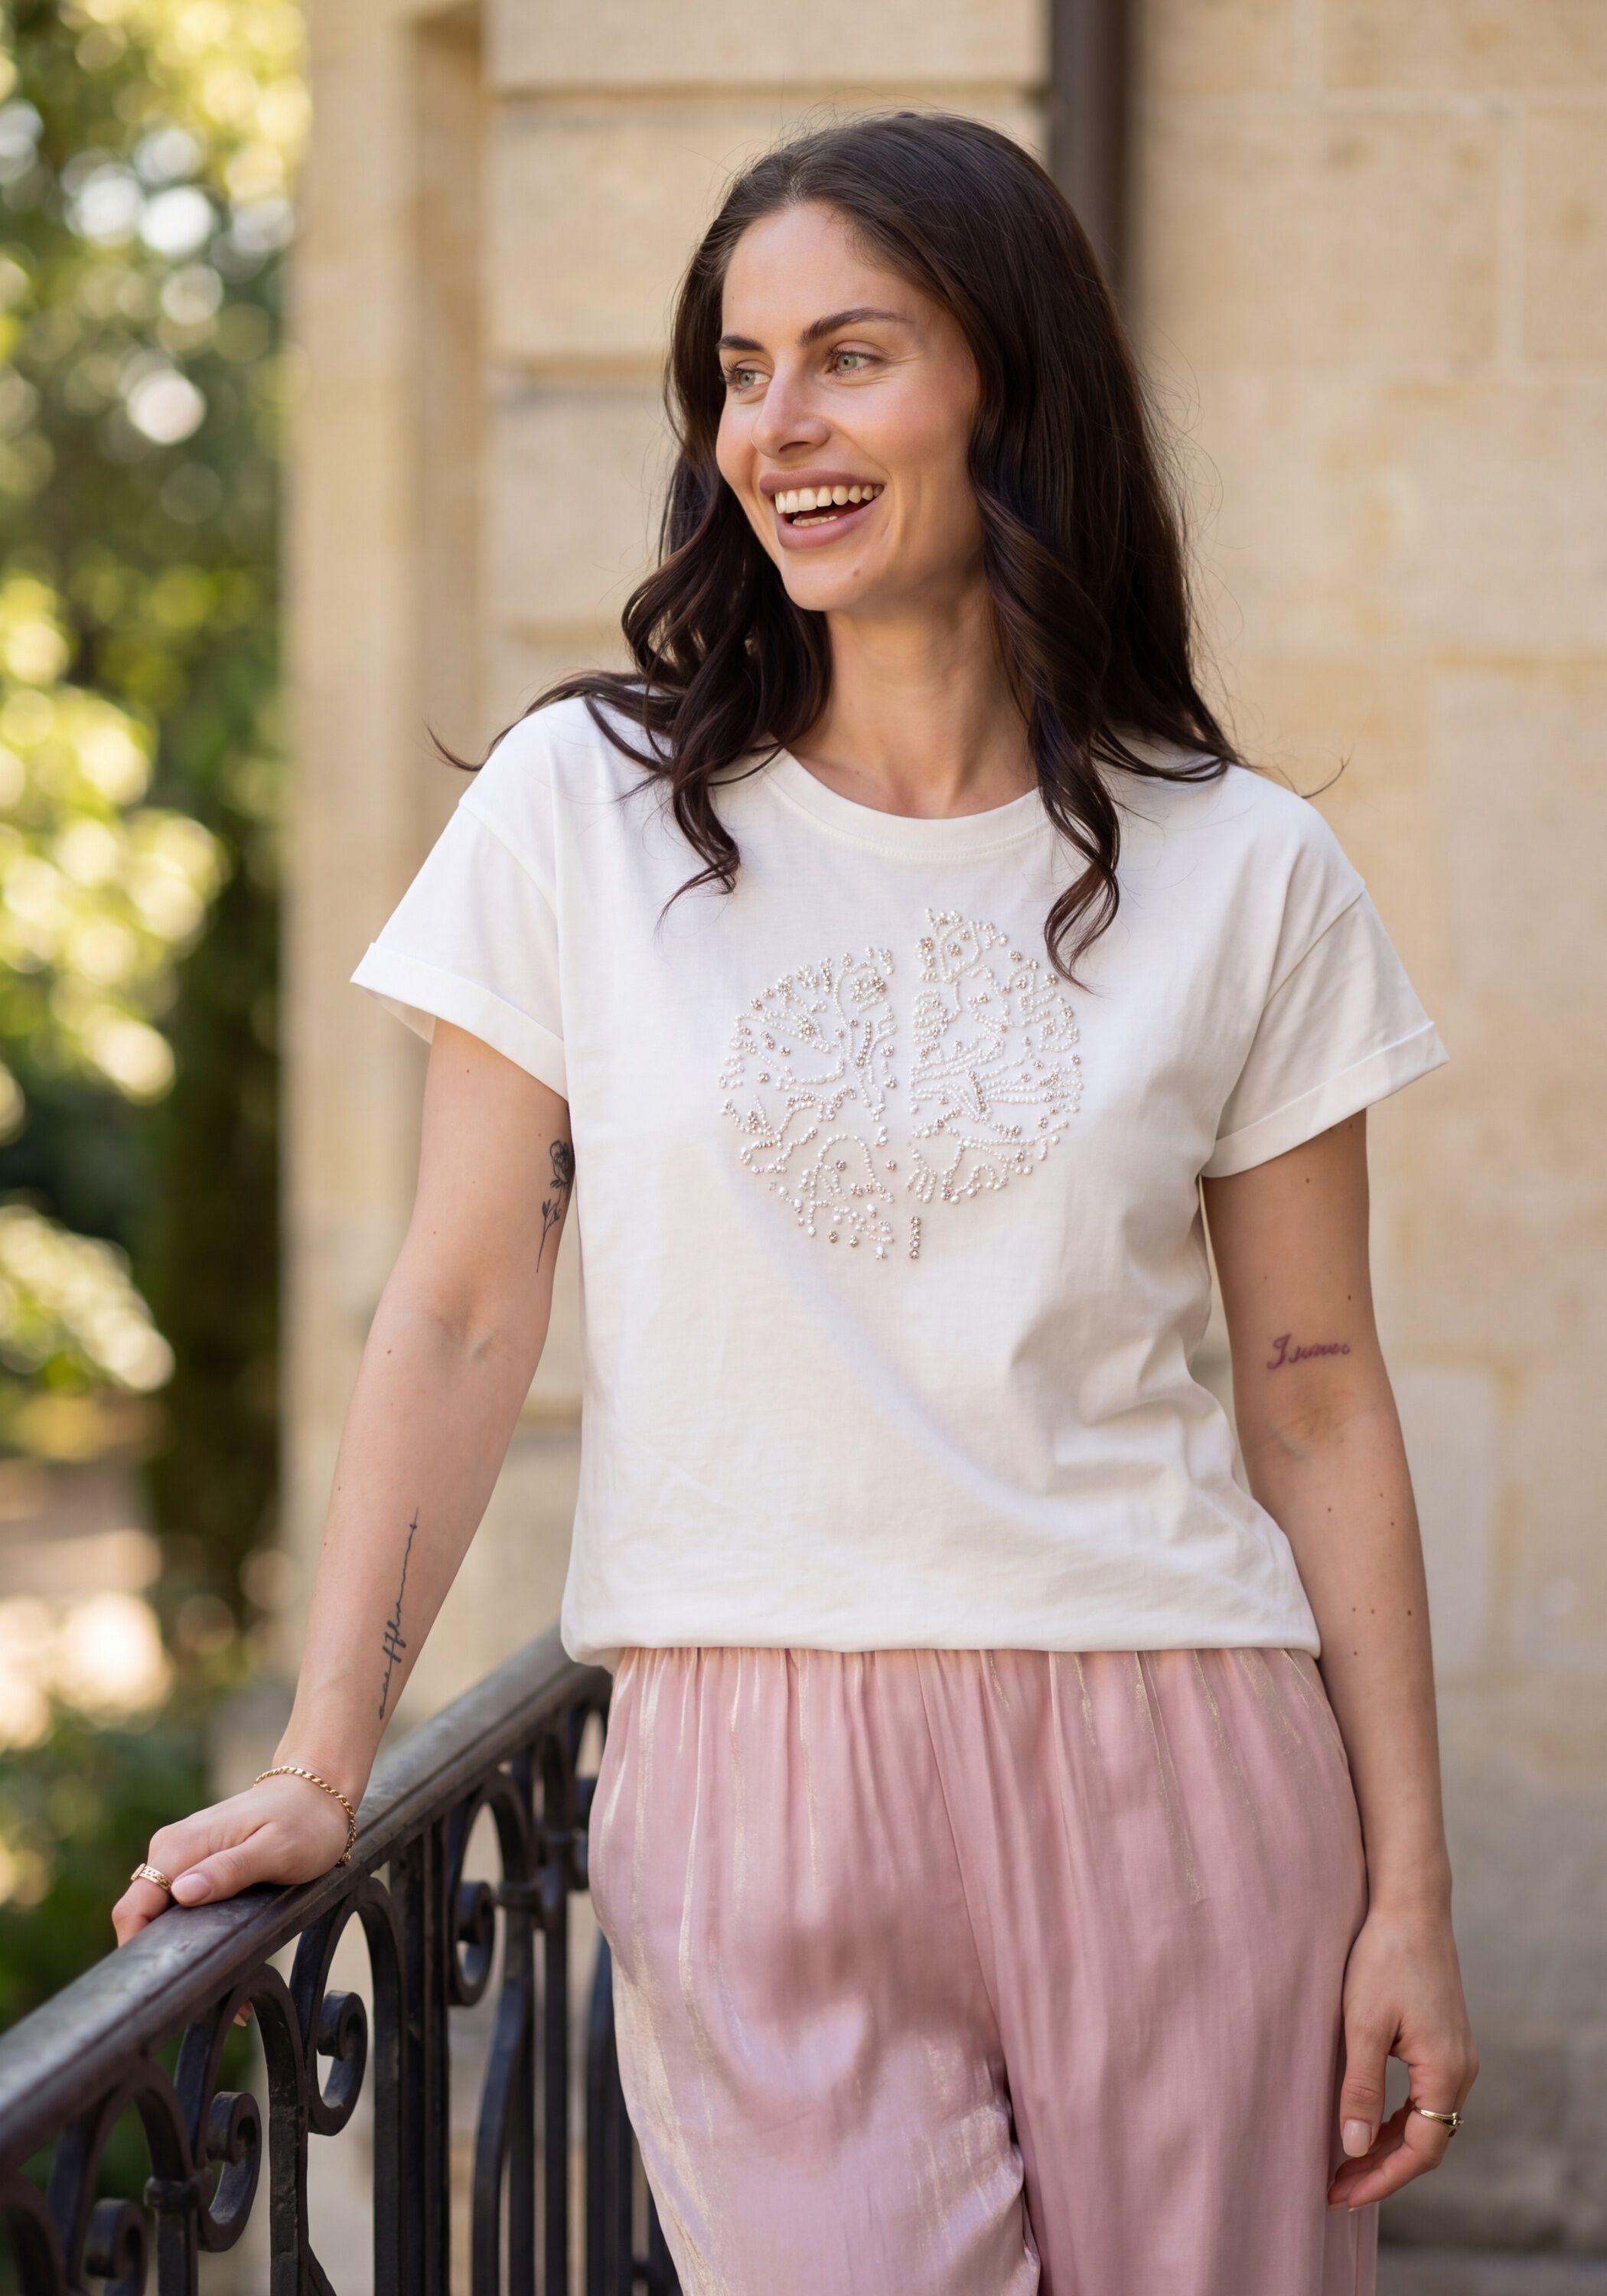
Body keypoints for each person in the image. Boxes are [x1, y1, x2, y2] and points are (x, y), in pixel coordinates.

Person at [116, 112, 1478, 2296]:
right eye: (740, 374)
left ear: (1010, 389)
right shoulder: (586, 811)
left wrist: (1408, 1890)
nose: (776, 427)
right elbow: (462, 1305)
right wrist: (320, 1760)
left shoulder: (1244, 868)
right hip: (750, 1784)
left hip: (1176, 1757)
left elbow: (1315, 1388)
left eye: (851, 356)